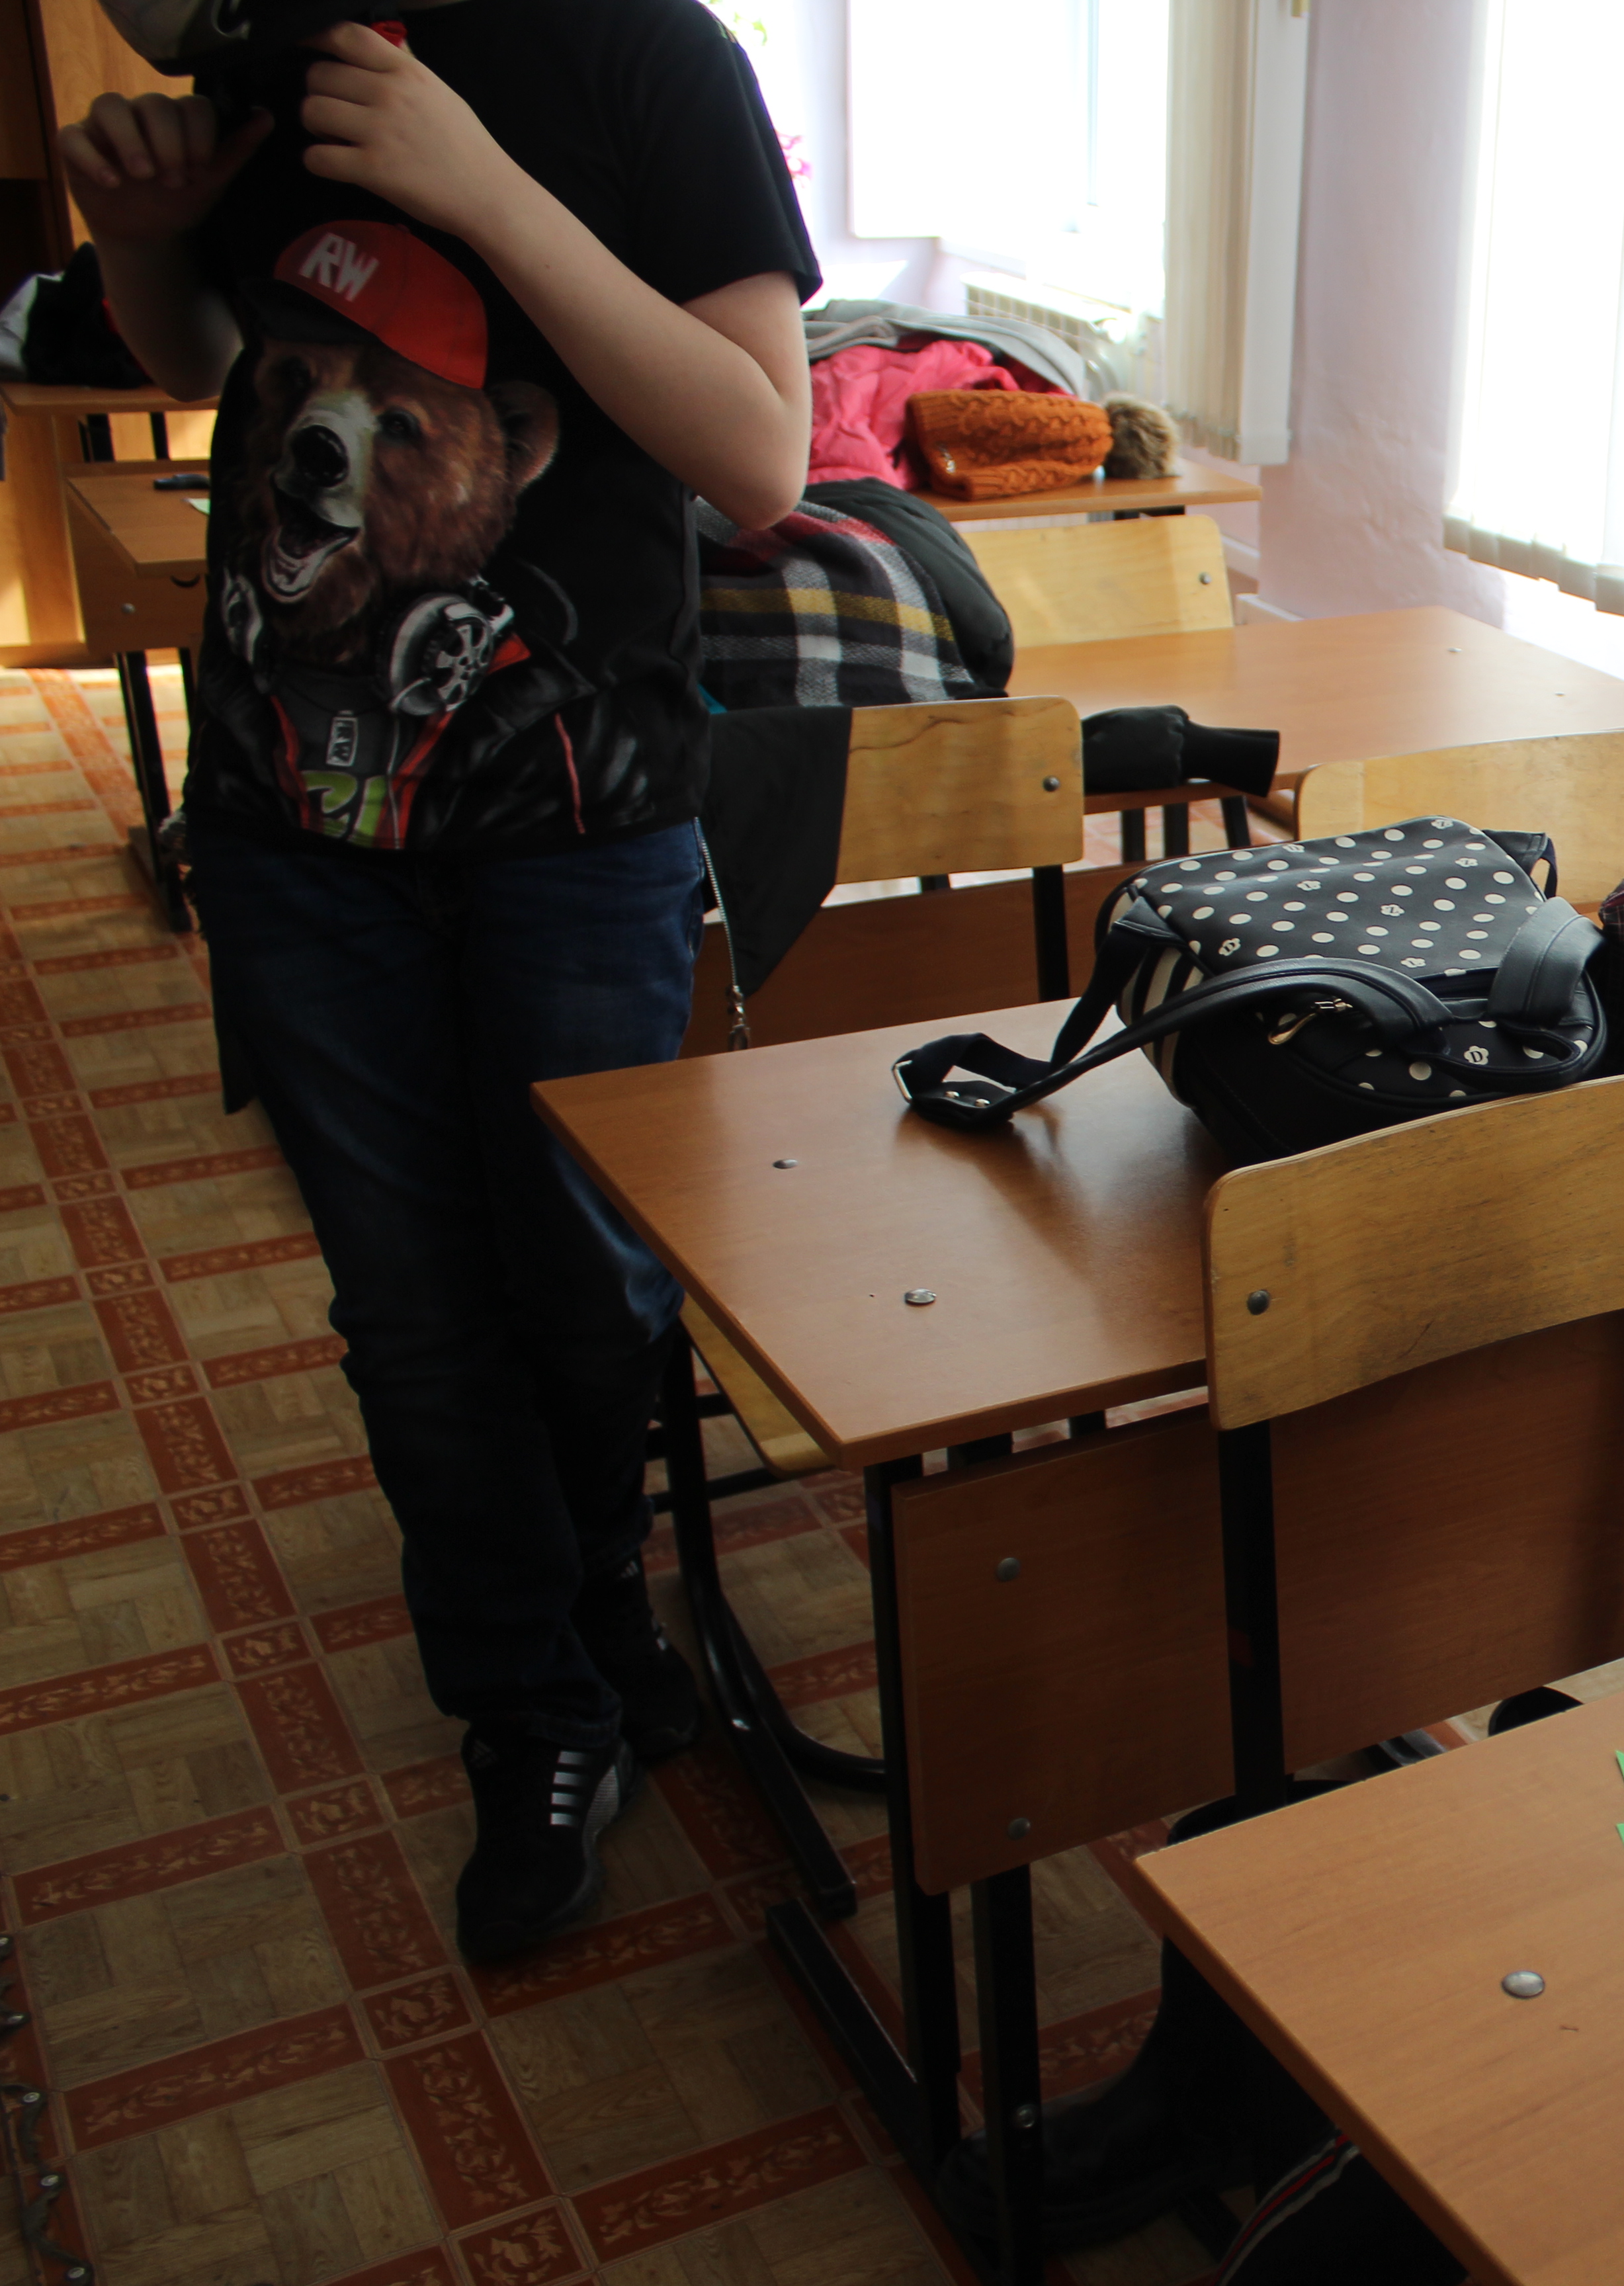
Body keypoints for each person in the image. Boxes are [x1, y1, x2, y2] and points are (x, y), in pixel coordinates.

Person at [58, 2, 817, 1959]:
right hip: (293, 820)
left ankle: (597, 1601)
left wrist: (481, 188)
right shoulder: (279, 49)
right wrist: (142, 236)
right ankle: (531, 1708)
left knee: (584, 1277)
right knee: (410, 1305)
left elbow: (758, 451)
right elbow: (216, 371)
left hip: (580, 815)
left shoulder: (646, 54)